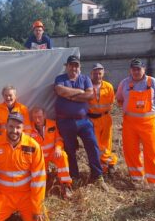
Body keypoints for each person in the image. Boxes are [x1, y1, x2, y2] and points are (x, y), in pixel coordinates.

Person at [0, 112, 49, 221]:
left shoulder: (33, 146)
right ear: (6, 126)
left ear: (23, 128)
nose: (14, 130)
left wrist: (38, 209)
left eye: (18, 127)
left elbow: (39, 181)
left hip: (26, 196)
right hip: (3, 195)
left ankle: (22, 212)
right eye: (11, 126)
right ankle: (4, 212)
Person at [54, 55, 107, 190]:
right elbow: (60, 90)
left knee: (92, 146)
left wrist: (69, 95)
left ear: (80, 67)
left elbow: (89, 95)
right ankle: (74, 176)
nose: (74, 68)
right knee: (70, 150)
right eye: (71, 65)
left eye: (76, 65)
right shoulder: (60, 78)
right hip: (65, 121)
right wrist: (78, 92)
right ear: (67, 66)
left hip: (84, 121)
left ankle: (97, 175)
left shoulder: (85, 79)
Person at [116, 58, 155, 190]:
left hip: (148, 123)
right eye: (133, 69)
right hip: (129, 123)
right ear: (130, 70)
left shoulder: (152, 82)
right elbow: (119, 100)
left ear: (144, 69)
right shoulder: (124, 83)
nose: (136, 71)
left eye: (138, 69)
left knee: (151, 151)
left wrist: (151, 113)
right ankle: (137, 178)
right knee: (131, 150)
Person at [30, 107, 72, 199]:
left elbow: (59, 139)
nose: (37, 120)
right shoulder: (29, 128)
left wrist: (58, 148)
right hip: (39, 157)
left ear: (45, 115)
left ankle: (66, 185)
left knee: (63, 156)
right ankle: (46, 180)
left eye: (40, 117)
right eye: (35, 117)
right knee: (40, 183)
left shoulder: (52, 124)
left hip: (52, 153)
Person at [88, 63, 118, 175]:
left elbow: (111, 102)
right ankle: (108, 163)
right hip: (92, 120)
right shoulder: (87, 86)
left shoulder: (108, 87)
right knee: (96, 145)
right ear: (91, 74)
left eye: (99, 73)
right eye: (95, 73)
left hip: (106, 119)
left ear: (103, 73)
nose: (97, 75)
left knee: (106, 144)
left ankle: (107, 167)